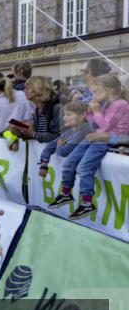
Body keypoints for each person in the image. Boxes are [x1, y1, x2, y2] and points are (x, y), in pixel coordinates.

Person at [49, 74, 129, 219]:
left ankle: (87, 203)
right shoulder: (105, 104)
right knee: (68, 164)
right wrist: (90, 112)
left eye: (96, 91)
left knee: (83, 168)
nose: (93, 95)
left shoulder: (120, 104)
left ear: (109, 90)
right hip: (93, 137)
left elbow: (105, 127)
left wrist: (97, 111)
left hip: (105, 141)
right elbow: (93, 125)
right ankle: (65, 193)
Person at [37, 101, 91, 178]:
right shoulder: (71, 130)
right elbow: (50, 146)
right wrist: (44, 165)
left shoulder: (83, 130)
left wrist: (59, 145)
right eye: (64, 114)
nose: (63, 117)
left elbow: (63, 152)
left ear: (81, 118)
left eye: (68, 115)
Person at [8, 75, 61, 144]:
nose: (24, 91)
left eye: (27, 88)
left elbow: (58, 137)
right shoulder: (38, 109)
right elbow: (38, 135)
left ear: (38, 89)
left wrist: (33, 134)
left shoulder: (57, 108)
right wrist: (20, 133)